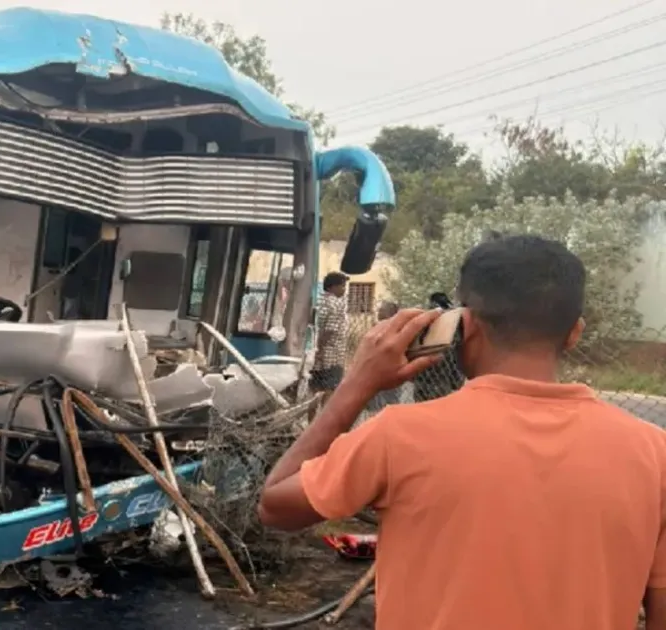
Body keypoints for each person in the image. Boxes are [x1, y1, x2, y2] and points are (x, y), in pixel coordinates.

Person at [256, 235, 666, 630]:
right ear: (575, 333)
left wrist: (358, 384)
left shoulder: (400, 434)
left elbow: (275, 506)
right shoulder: (653, 453)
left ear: (463, 324)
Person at [310, 272, 349, 392]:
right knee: (330, 389)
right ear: (333, 287)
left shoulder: (319, 300)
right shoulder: (336, 304)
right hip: (332, 355)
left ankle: (315, 405)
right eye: (342, 286)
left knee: (316, 387)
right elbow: (330, 330)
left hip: (317, 352)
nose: (344, 289)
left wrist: (316, 349)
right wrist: (320, 349)